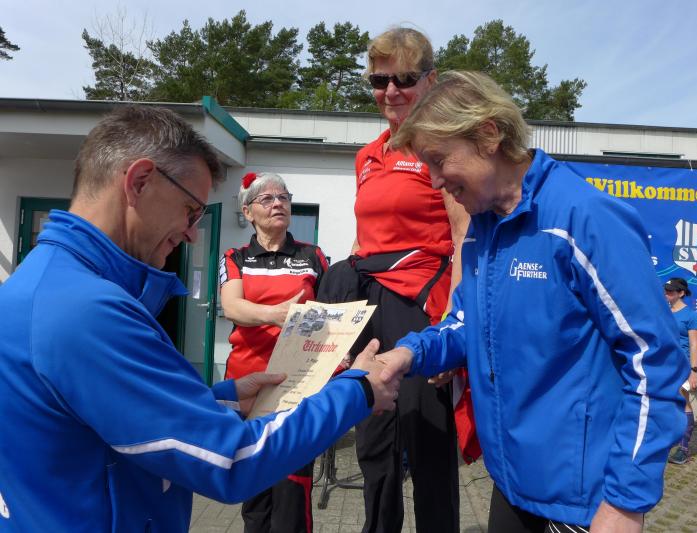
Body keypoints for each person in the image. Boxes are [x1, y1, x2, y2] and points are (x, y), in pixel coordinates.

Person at [0, 105, 400, 532]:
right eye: (191, 210)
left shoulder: (42, 283)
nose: (192, 232)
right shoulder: (87, 311)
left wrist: (225, 399)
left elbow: (111, 414)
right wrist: (357, 391)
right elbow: (231, 460)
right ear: (139, 182)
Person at [378, 71, 688, 533]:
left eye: (440, 161)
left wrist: (626, 502)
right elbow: (465, 321)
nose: (436, 181)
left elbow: (655, 362)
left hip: (584, 501)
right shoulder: (482, 230)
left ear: (488, 135)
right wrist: (408, 354)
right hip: (512, 480)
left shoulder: (583, 218)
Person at [316, 27, 469, 533]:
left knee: (428, 447)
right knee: (375, 441)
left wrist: (454, 323)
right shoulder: (367, 155)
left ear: (431, 81)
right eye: (379, 81)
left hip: (422, 304)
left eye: (403, 78)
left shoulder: (442, 145)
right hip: (370, 305)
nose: (391, 91)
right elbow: (366, 239)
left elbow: (463, 234)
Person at [220, 171, 330, 532]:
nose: (278, 203)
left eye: (283, 197)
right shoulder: (235, 257)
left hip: (297, 387)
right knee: (254, 496)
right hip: (247, 387)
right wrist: (277, 314)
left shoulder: (313, 255)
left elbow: (330, 311)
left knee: (291, 493)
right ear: (248, 212)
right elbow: (233, 307)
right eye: (266, 199)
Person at [663, 277, 697, 465]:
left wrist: (693, 371)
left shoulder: (690, 316)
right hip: (664, 365)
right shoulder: (663, 312)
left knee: (682, 402)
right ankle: (666, 442)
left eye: (670, 291)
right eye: (665, 290)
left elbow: (694, 345)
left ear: (681, 293)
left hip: (682, 365)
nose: (666, 294)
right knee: (665, 403)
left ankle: (684, 449)